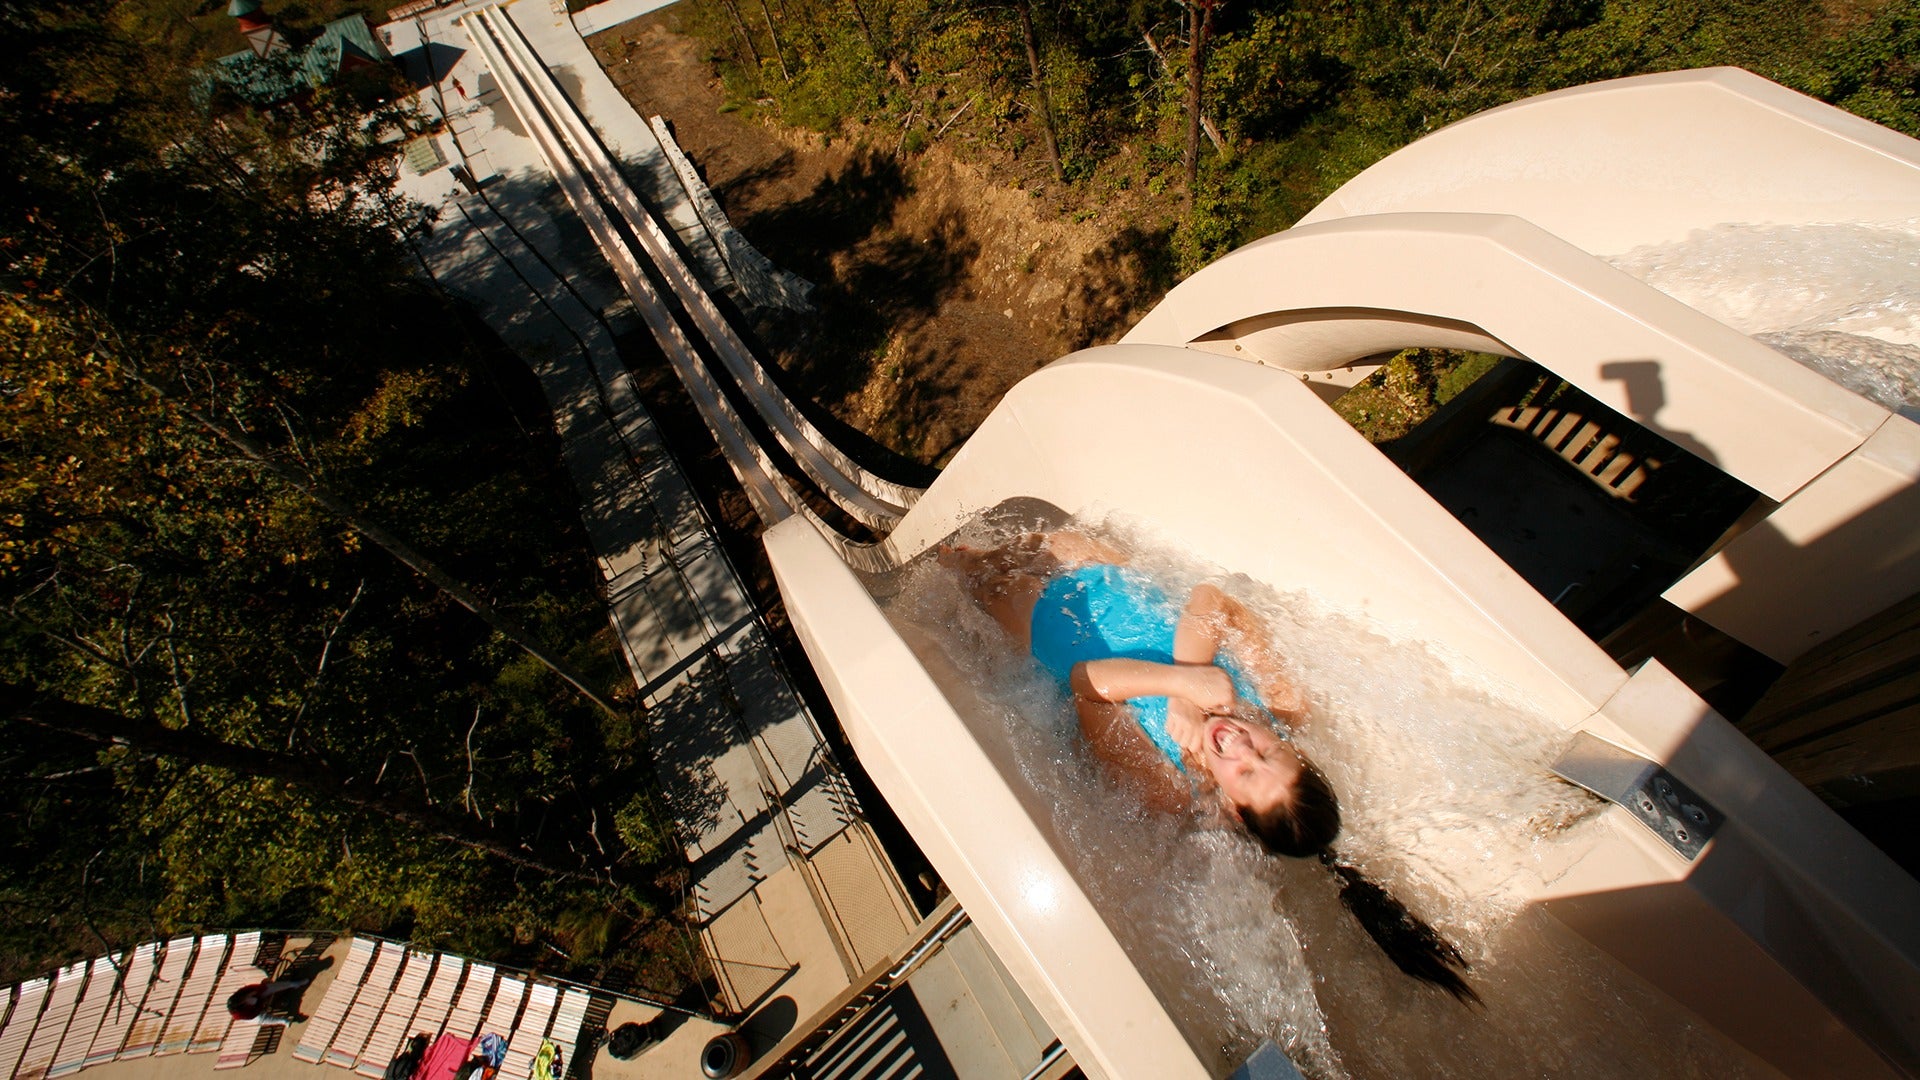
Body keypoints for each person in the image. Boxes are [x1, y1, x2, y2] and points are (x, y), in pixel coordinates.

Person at [942, 528, 1478, 1002]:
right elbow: (1212, 598)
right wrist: (1192, 680)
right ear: (1295, 749)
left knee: (969, 567)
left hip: (1038, 617)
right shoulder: (1284, 703)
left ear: (1233, 809)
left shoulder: (1167, 790)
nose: (1243, 747)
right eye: (1268, 753)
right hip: (1111, 576)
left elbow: (1085, 686)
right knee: (1044, 537)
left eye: (1246, 774)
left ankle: (933, 555)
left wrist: (1178, 687)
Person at [226, 976, 311, 1025]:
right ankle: (282, 1021)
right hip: (255, 1010)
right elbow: (253, 1015)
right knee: (261, 1019)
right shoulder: (240, 1014)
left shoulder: (242, 992)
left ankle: (294, 984)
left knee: (271, 987)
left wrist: (263, 991)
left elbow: (257, 988)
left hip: (257, 997)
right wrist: (261, 1004)